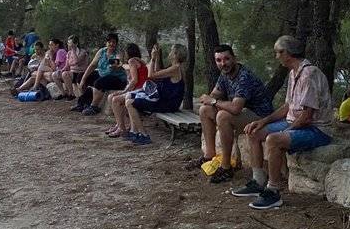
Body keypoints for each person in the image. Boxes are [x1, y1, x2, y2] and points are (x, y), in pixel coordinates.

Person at [231, 35, 334, 210]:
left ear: (289, 53)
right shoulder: (294, 73)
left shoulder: (309, 74)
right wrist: (262, 121)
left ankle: (274, 191)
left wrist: (285, 132)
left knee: (273, 140)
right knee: (254, 132)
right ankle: (258, 181)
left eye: (278, 52)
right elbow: (288, 106)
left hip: (316, 129)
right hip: (298, 123)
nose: (276, 56)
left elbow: (307, 116)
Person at [196, 44, 275, 183]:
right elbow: (214, 94)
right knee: (205, 110)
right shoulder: (224, 74)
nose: (223, 63)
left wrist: (214, 101)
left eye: (226, 59)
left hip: (260, 116)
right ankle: (209, 155)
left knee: (222, 116)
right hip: (245, 113)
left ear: (234, 58)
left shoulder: (244, 77)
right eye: (218, 60)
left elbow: (236, 108)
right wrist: (213, 100)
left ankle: (226, 167)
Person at [119, 43, 188, 145]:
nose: (169, 53)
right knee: (129, 96)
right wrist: (155, 58)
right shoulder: (175, 67)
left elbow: (151, 75)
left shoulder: (175, 68)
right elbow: (156, 71)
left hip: (168, 104)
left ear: (175, 54)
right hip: (164, 99)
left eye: (171, 51)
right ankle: (134, 131)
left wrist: (153, 58)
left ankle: (144, 135)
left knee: (130, 103)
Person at [72, 33, 128, 115]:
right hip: (103, 74)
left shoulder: (118, 53)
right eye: (109, 42)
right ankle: (84, 102)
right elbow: (92, 65)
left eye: (114, 42)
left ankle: (94, 107)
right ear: (106, 42)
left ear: (116, 43)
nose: (111, 44)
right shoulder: (102, 51)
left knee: (99, 82)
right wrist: (83, 79)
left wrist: (116, 65)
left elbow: (118, 61)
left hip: (117, 78)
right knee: (80, 76)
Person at [57, 36, 89, 100]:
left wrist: (74, 51)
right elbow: (67, 65)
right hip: (72, 72)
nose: (69, 45)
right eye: (68, 43)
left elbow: (76, 62)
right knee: (56, 74)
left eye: (71, 43)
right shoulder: (69, 53)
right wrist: (61, 70)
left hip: (80, 72)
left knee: (65, 74)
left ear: (76, 44)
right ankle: (67, 93)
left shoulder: (83, 52)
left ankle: (71, 94)